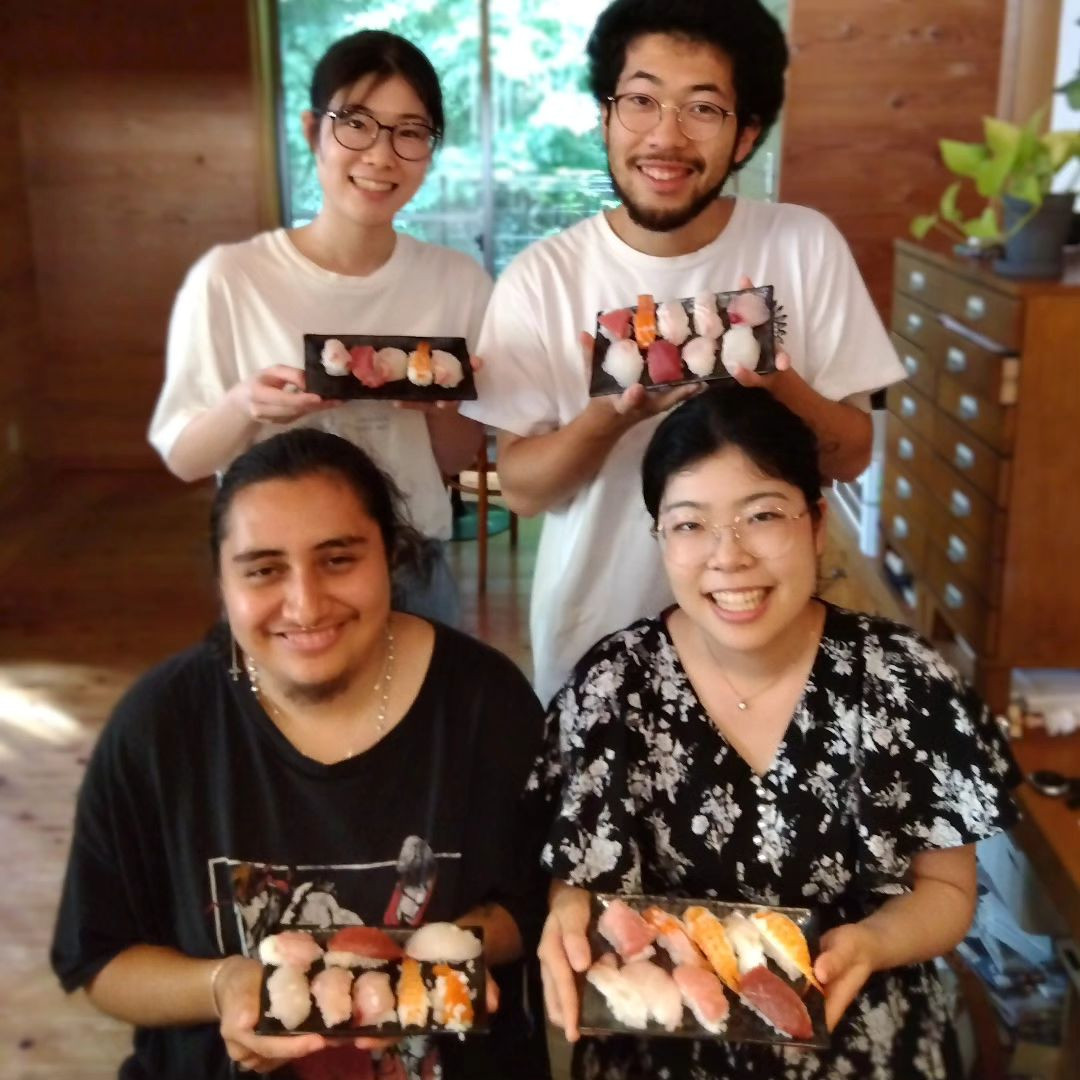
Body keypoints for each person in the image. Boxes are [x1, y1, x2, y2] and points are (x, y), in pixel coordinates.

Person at [532, 385, 1020, 1079]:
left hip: (860, 1026)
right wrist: (568, 912)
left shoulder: (905, 679)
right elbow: (579, 876)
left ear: (817, 523)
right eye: (690, 525)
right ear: (660, 538)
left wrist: (873, 944)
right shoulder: (613, 684)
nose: (727, 557)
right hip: (664, 1035)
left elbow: (946, 891)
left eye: (761, 516)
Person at [51, 429, 550, 1080]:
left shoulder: (487, 704)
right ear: (222, 580)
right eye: (263, 569)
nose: (305, 604)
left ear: (390, 556)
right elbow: (99, 958)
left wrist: (436, 956)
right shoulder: (160, 725)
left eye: (339, 559)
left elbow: (533, 903)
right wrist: (225, 982)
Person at [460, 0, 907, 703]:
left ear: (747, 134)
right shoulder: (542, 278)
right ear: (605, 116)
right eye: (640, 100)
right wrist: (607, 419)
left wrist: (773, 388)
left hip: (770, 641)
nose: (664, 137)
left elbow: (851, 454)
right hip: (597, 645)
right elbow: (520, 490)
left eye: (703, 108)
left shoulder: (803, 244)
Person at [149, 30, 490, 625]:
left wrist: (442, 407)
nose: (381, 155)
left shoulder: (458, 281)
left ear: (430, 151)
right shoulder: (232, 278)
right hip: (281, 576)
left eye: (410, 132)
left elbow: (455, 459)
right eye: (355, 123)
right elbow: (184, 457)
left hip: (410, 562)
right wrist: (244, 405)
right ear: (312, 131)